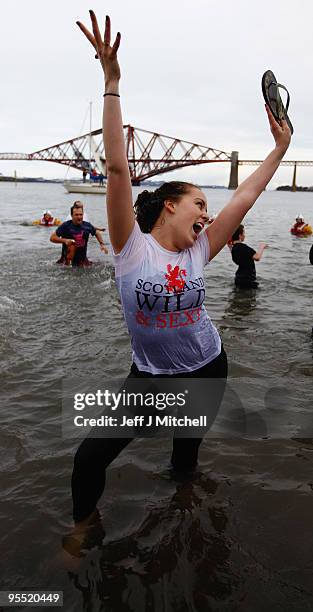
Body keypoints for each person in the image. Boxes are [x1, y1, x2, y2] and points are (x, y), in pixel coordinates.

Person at [68, 10, 291, 548]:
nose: (206, 213)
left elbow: (246, 196)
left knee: (185, 456)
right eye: (198, 203)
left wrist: (280, 149)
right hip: (150, 375)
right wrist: (112, 83)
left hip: (208, 367)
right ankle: (82, 532)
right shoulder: (128, 248)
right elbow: (119, 169)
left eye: (207, 207)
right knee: (89, 455)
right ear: (169, 206)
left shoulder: (202, 250)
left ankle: (184, 510)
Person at [50, 202, 108, 266]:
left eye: (81, 214)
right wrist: (65, 240)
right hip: (67, 261)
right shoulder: (65, 225)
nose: (79, 217)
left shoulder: (87, 225)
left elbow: (96, 232)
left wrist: (102, 244)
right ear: (71, 215)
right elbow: (52, 238)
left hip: (82, 261)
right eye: (76, 215)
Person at [230, 224, 268, 289]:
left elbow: (229, 243)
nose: (245, 235)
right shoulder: (243, 247)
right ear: (240, 235)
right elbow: (257, 257)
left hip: (238, 278)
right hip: (248, 279)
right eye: (244, 233)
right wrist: (262, 247)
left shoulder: (233, 248)